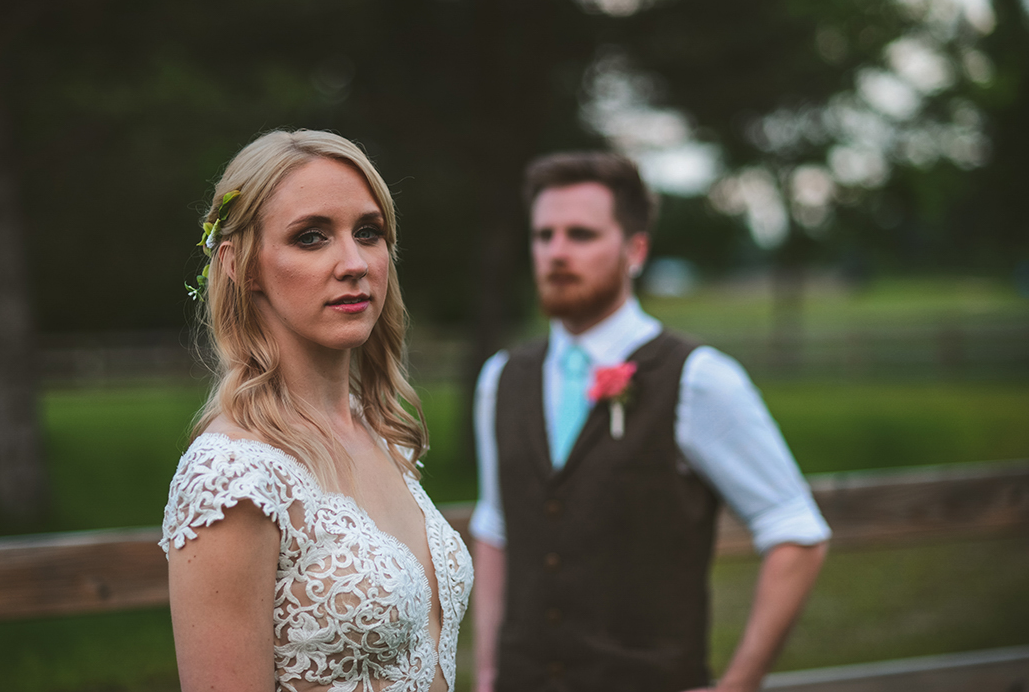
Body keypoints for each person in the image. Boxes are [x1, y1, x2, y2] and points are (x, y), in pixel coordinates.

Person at [470, 151, 830, 692]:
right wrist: (490, 674)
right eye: (544, 235)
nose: (557, 252)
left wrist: (740, 684)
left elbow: (796, 532)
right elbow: (495, 529)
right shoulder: (501, 378)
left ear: (635, 250)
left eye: (581, 235)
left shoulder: (699, 378)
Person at [159, 129, 473, 692]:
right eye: (311, 238)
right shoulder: (233, 476)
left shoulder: (382, 433)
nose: (354, 263)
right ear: (242, 265)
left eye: (369, 232)